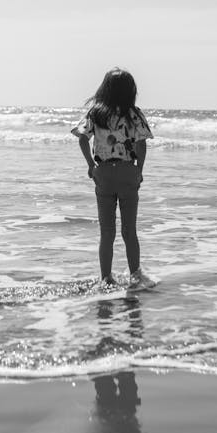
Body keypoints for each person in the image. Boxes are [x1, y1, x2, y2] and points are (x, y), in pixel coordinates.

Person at [71, 68, 155, 289]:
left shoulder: (95, 113)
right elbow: (141, 143)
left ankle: (106, 278)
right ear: (131, 90)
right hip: (128, 171)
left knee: (107, 231)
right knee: (130, 230)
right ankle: (135, 276)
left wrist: (91, 166)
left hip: (104, 173)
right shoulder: (133, 113)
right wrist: (139, 169)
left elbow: (81, 139)